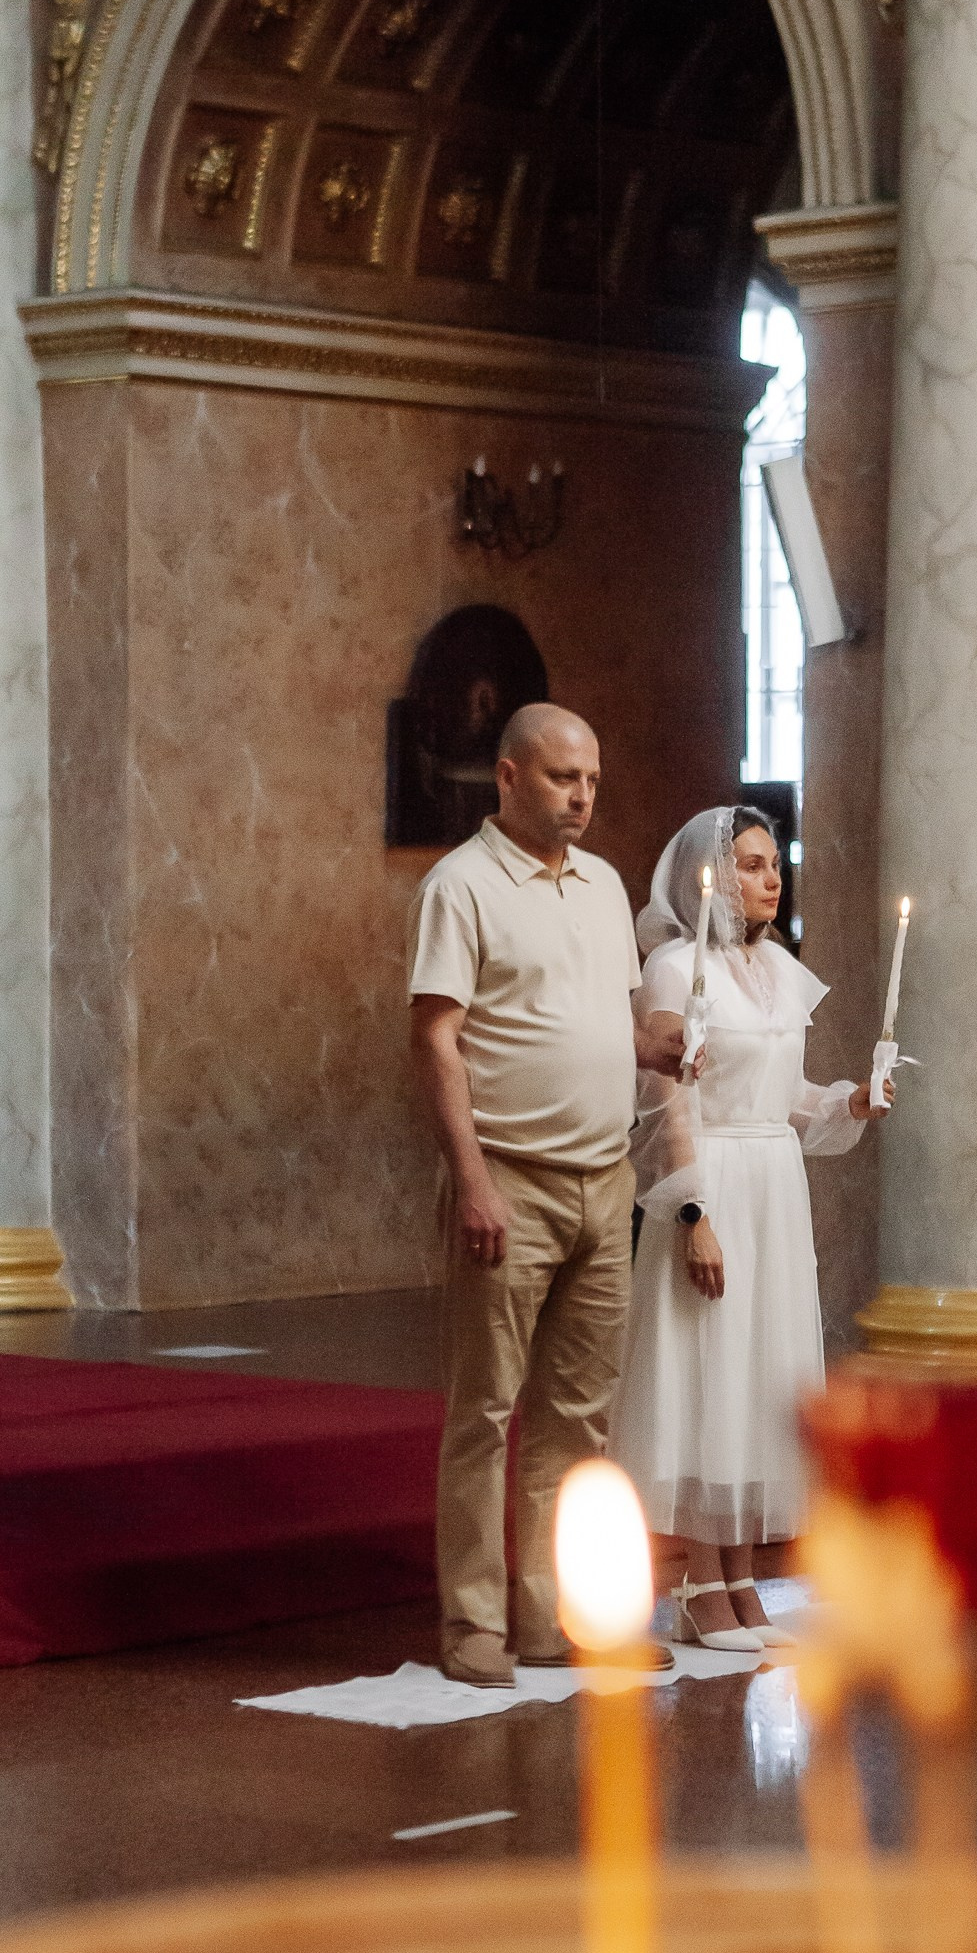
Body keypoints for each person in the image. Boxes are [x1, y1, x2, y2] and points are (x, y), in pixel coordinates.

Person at [408, 704, 686, 1688]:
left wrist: (657, 1044)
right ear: (509, 776)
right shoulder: (460, 886)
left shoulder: (605, 885)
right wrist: (472, 1179)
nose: (582, 796)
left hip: (604, 1180)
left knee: (578, 1418)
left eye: (593, 781)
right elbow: (436, 1038)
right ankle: (473, 1621)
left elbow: (607, 1018)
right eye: (564, 778)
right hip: (510, 1182)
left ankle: (551, 1614)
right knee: (486, 1409)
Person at [607, 805, 886, 1646]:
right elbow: (669, 1101)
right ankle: (698, 1583)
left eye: (774, 864)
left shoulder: (779, 971)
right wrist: (693, 1212)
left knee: (759, 1377)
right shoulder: (671, 967)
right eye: (755, 864)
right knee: (706, 1370)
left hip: (773, 1183)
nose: (772, 878)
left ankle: (743, 1581)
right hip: (714, 1181)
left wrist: (850, 1101)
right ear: (713, 875)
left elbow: (787, 1099)